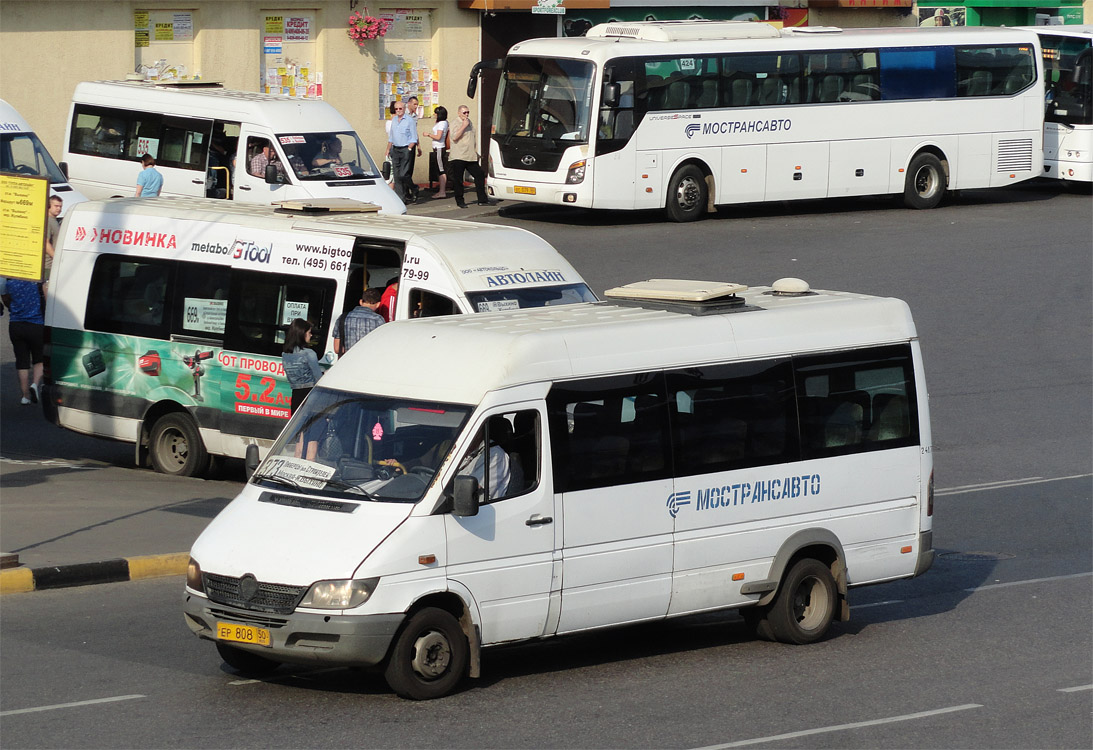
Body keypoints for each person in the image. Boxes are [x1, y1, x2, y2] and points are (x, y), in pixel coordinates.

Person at [2, 277, 45, 405]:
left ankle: (25, 396)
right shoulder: (38, 283)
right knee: (39, 360)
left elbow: (6, 301)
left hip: (16, 325)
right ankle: (35, 384)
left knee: (21, 361)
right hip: (36, 324)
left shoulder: (9, 283)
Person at [448, 105, 492, 208]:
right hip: (458, 156)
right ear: (459, 113)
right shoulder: (455, 123)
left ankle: (482, 199)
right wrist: (463, 126)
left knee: (480, 174)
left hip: (470, 155)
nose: (466, 114)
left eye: (468, 112)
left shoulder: (470, 122)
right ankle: (460, 201)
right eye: (464, 112)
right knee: (458, 179)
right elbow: (454, 137)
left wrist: (476, 152)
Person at [281, 318, 323, 416]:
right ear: (302, 334)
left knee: (297, 426)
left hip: (295, 394)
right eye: (309, 332)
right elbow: (318, 378)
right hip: (309, 394)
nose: (311, 335)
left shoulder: (285, 354)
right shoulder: (309, 353)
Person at [333, 287, 385, 355]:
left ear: (360, 301)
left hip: (347, 362)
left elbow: (337, 349)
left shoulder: (343, 317)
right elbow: (381, 347)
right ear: (378, 304)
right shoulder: (378, 320)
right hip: (368, 362)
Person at [387, 101, 419, 203]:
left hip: (406, 148)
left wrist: (409, 149)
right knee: (397, 176)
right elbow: (391, 137)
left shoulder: (410, 121)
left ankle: (414, 188)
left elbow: (414, 138)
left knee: (403, 174)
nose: (398, 111)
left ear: (404, 109)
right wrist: (388, 149)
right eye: (396, 109)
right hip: (395, 149)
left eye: (400, 109)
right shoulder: (394, 120)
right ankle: (401, 199)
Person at [426, 106, 449, 198]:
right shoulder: (442, 122)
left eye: (436, 113)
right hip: (436, 147)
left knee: (441, 169)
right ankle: (441, 190)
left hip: (439, 148)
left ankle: (442, 191)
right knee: (438, 169)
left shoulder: (442, 124)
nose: (434, 115)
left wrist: (428, 134)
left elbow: (438, 137)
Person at [405, 95, 423, 193]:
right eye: (414, 104)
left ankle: (408, 190)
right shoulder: (404, 114)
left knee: (410, 168)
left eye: (417, 104)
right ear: (409, 104)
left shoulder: (415, 116)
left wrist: (418, 145)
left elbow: (414, 131)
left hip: (412, 143)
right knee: (404, 169)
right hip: (405, 144)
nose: (416, 106)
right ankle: (407, 190)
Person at [43, 195, 62, 288]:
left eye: (60, 206)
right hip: (48, 265)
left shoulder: (54, 220)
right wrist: (57, 258)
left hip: (52, 263)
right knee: (48, 287)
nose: (59, 209)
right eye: (56, 206)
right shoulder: (48, 221)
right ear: (49, 206)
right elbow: (45, 243)